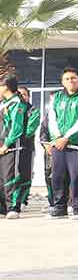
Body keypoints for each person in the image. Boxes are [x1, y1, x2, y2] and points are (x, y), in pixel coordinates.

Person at [40, 67, 78, 219]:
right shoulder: (57, 97)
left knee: (77, 177)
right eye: (67, 79)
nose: (70, 81)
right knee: (57, 177)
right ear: (62, 82)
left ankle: (77, 208)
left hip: (76, 145)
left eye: (73, 77)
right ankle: (59, 207)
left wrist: (67, 137)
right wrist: (58, 137)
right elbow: (51, 118)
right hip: (58, 144)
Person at [0, 74, 31, 218]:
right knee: (1, 177)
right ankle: (2, 207)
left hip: (11, 146)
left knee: (10, 176)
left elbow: (16, 127)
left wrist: (6, 144)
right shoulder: (3, 103)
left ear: (6, 86)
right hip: (1, 145)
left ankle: (13, 207)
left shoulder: (17, 103)